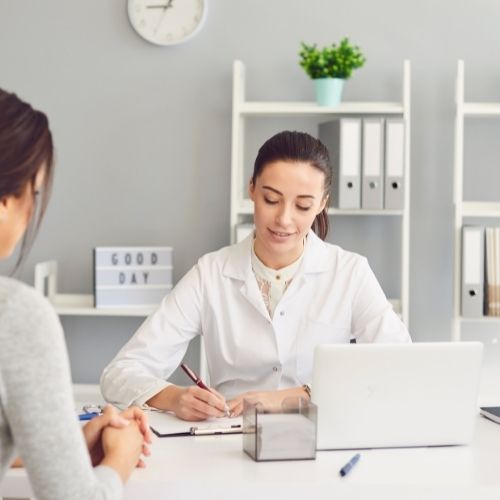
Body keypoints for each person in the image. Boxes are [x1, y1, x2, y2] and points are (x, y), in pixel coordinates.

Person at [101, 130, 411, 421]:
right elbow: (120, 372)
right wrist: (172, 397)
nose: (284, 219)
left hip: (320, 441)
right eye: (271, 200)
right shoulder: (211, 274)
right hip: (229, 443)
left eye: (303, 206)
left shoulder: (350, 273)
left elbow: (400, 365)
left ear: (322, 204)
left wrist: (297, 395)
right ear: (252, 188)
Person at [0, 88, 152, 499]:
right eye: (33, 193)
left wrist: (64, 444)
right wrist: (121, 456)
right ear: (4, 201)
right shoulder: (15, 314)